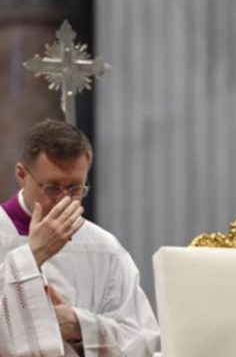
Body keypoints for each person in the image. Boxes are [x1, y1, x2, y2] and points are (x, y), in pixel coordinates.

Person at [0, 119, 160, 357]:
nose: (65, 200)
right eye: (52, 188)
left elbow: (143, 339)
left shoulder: (102, 247)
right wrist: (32, 257)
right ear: (22, 175)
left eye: (75, 188)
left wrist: (80, 327)